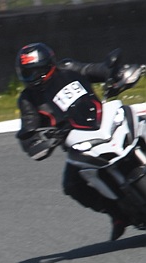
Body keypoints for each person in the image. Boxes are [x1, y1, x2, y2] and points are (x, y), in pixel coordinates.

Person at [14, 42, 131, 241]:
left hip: (104, 120)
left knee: (139, 120)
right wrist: (35, 143)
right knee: (71, 185)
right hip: (76, 143)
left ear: (47, 66)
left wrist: (117, 74)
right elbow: (28, 130)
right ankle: (117, 214)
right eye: (26, 73)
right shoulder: (28, 99)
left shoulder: (69, 68)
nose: (31, 78)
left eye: (35, 72)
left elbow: (99, 70)